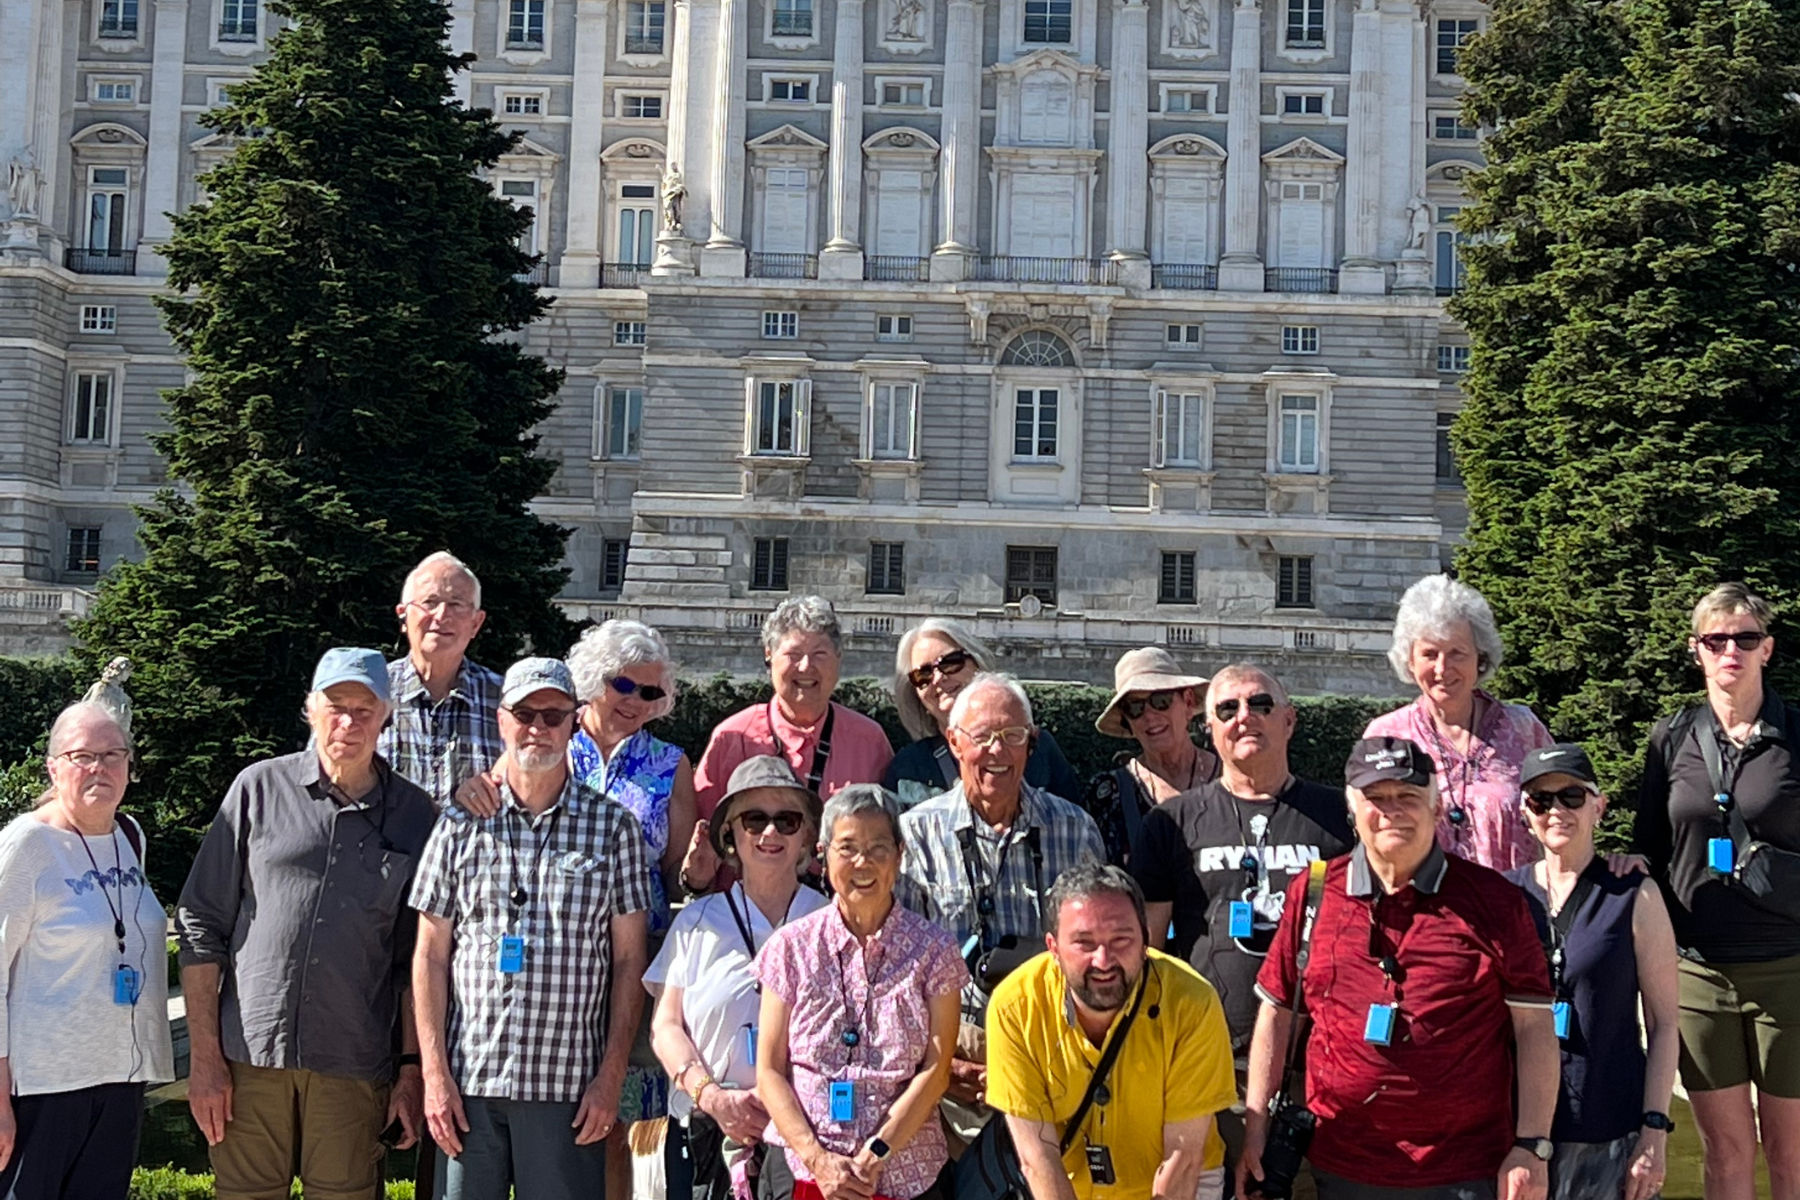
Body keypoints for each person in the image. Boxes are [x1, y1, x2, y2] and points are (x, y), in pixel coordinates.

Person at [1241, 737, 1560, 1200]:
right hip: (1338, 1164)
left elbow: (1533, 1028)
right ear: (1353, 809)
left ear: (1436, 808)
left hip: (1463, 1170)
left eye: (1409, 796)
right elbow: (1278, 1014)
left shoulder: (1496, 902)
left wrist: (1533, 1145)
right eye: (1376, 798)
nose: (1392, 810)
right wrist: (1255, 1127)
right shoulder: (1311, 893)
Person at [176, 648, 438, 1200]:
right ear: (310, 710)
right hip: (248, 1059)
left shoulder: (417, 816)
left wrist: (412, 1072)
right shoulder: (257, 790)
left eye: (364, 710)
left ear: (386, 716)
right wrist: (204, 1060)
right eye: (335, 706)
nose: (348, 722)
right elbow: (200, 925)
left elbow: (417, 959)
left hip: (354, 1060)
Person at [455, 619, 697, 1197]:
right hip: (551, 968)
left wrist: (697, 871)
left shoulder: (670, 763)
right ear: (591, 682)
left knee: (630, 1122)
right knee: (556, 1122)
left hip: (634, 963)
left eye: (651, 692)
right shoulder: (548, 741)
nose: (637, 702)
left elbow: (678, 870)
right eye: (624, 686)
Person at [410, 657, 653, 1200]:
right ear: (501, 720)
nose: (538, 728)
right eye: (525, 713)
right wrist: (434, 1074)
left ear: (575, 720)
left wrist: (611, 1075)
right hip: (470, 1082)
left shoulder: (615, 830)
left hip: (567, 1086)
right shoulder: (459, 825)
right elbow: (429, 955)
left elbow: (629, 961)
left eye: (553, 714)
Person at [1127, 663, 1351, 1188]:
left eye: (1260, 705)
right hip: (1209, 1065)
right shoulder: (1172, 823)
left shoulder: (1340, 816)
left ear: (1290, 720)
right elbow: (1148, 952)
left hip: (1313, 1069)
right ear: (1210, 728)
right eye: (1226, 710)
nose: (1243, 717)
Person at [1635, 582, 1800, 1200]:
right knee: (1725, 1153)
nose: (1731, 649)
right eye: (1716, 639)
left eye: (1745, 638)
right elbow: (1650, 845)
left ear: (1767, 649)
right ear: (1696, 649)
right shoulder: (1671, 738)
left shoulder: (1796, 738)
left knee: (1790, 1156)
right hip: (1699, 974)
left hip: (1788, 966)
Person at [894, 672, 1104, 1142]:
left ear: (1031, 744)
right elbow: (897, 975)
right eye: (982, 737)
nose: (997, 751)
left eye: (1012, 736)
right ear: (953, 742)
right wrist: (944, 1067)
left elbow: (1098, 958)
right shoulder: (913, 837)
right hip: (946, 1070)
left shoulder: (1075, 830)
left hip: (1054, 1062)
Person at [755, 784, 966, 1200]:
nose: (862, 863)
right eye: (847, 847)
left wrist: (876, 1154)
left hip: (906, 1171)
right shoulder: (790, 947)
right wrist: (818, 1160)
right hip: (803, 1166)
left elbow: (937, 1070)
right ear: (823, 854)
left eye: (878, 848)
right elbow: (769, 1071)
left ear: (900, 855)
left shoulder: (935, 950)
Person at [0, 699, 174, 1200]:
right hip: (41, 1088)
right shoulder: (28, 845)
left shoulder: (130, 835)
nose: (100, 768)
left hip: (121, 1079)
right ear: (55, 767)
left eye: (113, 755)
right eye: (82, 757)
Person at [985, 864, 1238, 1200]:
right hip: (1068, 1180)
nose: (1103, 960)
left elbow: (1183, 1159)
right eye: (1084, 943)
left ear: (1146, 940)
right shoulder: (1014, 1006)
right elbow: (1038, 1158)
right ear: (1053, 947)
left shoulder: (1192, 1001)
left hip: (1178, 1180)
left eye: (1121, 939)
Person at [646, 756, 828, 1200]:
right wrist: (712, 1098)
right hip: (704, 1130)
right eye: (754, 819)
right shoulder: (696, 921)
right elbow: (665, 1026)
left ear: (806, 835)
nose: (770, 833)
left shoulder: (829, 923)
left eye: (787, 820)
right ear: (730, 834)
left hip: (805, 1139)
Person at [1504, 744, 1678, 1200]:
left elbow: (1664, 1024)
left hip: (1610, 1132)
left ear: (1598, 807)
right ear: (1525, 813)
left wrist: (1654, 1130)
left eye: (1572, 797)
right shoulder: (1504, 896)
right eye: (1541, 800)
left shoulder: (1634, 894)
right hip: (1518, 1133)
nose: (1556, 810)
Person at [688, 597, 894, 890]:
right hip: (749, 919)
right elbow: (705, 847)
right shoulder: (732, 737)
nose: (806, 667)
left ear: (838, 658)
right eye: (793, 654)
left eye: (820, 654)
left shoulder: (869, 741)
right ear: (769, 655)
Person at [1363, 574, 1552, 871]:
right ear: (1410, 661)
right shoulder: (1387, 736)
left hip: (1511, 907)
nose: (1442, 668)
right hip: (1423, 911)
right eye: (1429, 654)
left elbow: (1563, 819)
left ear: (1480, 658)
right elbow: (1367, 832)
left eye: (1456, 653)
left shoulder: (1524, 729)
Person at [885, 618, 1081, 810]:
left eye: (951, 662)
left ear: (977, 665)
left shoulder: (1037, 748)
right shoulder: (907, 768)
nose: (938, 678)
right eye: (923, 675)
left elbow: (1072, 825)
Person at [378, 551, 504, 810]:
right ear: (403, 616)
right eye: (429, 602)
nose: (441, 615)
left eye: (456, 604)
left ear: (476, 623)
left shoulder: (507, 701)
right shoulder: (371, 692)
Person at [1080, 646, 1219, 867]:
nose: (1150, 716)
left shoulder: (1234, 780)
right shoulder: (1107, 795)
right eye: (1135, 707)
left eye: (1160, 700)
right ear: (1128, 722)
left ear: (1189, 702)